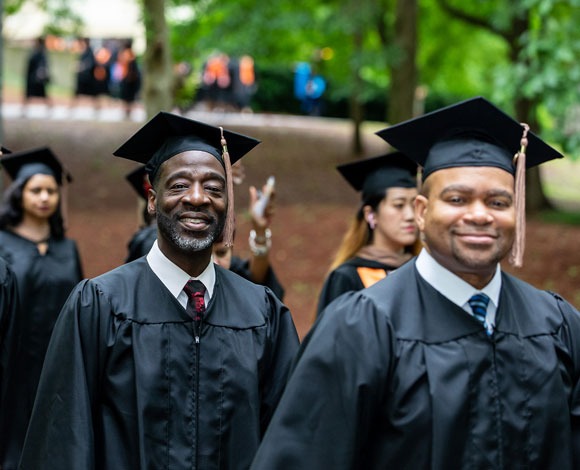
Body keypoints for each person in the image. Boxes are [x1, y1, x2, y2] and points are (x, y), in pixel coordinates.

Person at [250, 96, 580, 469]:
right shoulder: (359, 327)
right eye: (457, 198)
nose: (479, 215)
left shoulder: (558, 326)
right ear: (422, 213)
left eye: (498, 202)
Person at [19, 111, 299, 469]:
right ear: (152, 198)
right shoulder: (100, 306)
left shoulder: (262, 314)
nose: (198, 198)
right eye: (180, 185)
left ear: (228, 202)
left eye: (214, 188)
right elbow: (63, 439)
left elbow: (289, 441)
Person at [0, 147, 83, 470]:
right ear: (19, 194)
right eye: (36, 190)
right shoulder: (3, 245)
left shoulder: (68, 248)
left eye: (51, 190)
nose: (45, 197)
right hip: (14, 360)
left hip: (58, 359)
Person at [124, 165, 285, 301]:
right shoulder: (150, 243)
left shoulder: (217, 261)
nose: (213, 261)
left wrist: (260, 231)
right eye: (180, 185)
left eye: (212, 187)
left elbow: (254, 279)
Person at [316, 152, 418, 316]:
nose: (410, 215)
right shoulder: (347, 278)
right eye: (399, 205)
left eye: (414, 205)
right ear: (371, 214)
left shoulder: (423, 270)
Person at [23, 37, 51, 113]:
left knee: (42, 94)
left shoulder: (41, 52)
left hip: (36, 78)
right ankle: (24, 109)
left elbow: (42, 65)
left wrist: (40, 73)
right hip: (32, 77)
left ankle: (49, 108)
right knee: (29, 94)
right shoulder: (36, 51)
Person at [71, 37, 99, 109]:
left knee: (92, 94)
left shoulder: (89, 51)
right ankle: (72, 107)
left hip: (87, 77)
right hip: (83, 76)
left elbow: (90, 64)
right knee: (77, 93)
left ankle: (96, 107)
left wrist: (81, 66)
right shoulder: (84, 51)